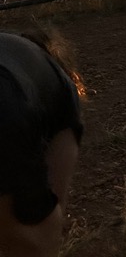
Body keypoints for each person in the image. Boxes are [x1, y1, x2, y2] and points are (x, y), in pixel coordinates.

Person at [0, 29, 85, 257]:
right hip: (6, 105)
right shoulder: (61, 87)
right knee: (35, 230)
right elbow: (55, 196)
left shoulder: (15, 53)